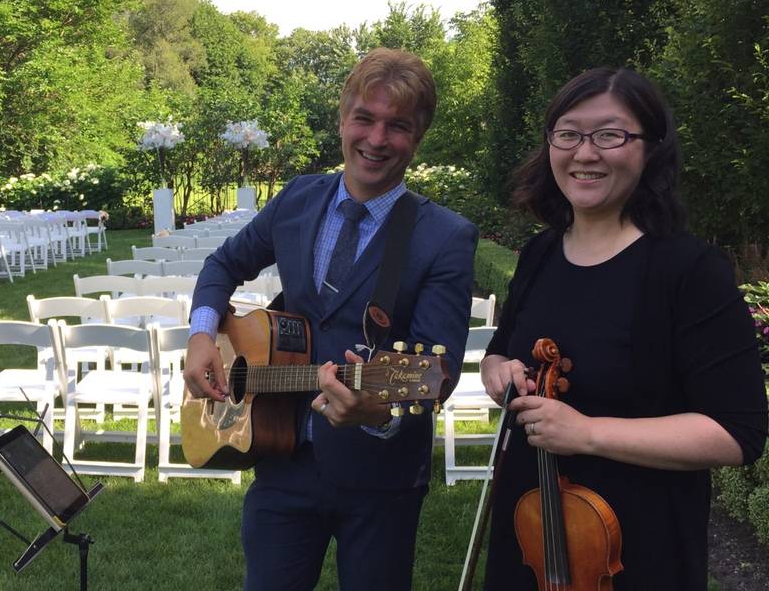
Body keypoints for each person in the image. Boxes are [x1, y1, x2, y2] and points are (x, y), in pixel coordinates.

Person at [183, 47, 478, 591]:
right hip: (282, 457)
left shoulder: (444, 236)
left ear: (418, 137)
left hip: (381, 478)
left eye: (398, 126)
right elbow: (224, 263)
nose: (376, 138)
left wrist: (374, 410)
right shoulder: (298, 197)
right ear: (343, 118)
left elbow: (438, 371)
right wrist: (202, 334)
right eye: (364, 118)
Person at [479, 67, 768, 590]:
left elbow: (737, 432)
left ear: (650, 148)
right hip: (532, 534)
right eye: (568, 134)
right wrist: (500, 373)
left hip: (639, 550)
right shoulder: (542, 253)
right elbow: (501, 350)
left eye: (610, 135)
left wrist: (589, 433)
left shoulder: (688, 270)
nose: (584, 153)